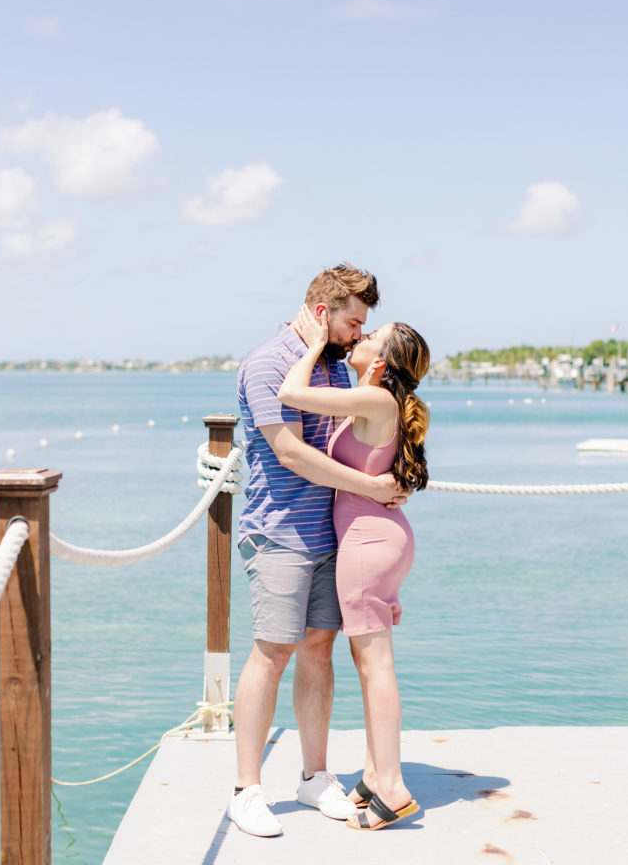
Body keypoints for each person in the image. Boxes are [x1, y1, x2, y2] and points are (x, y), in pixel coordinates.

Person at [228, 264, 407, 838]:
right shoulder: (267, 362)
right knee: (272, 653)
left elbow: (366, 433)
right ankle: (247, 789)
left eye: (364, 326)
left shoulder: (332, 364)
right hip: (278, 531)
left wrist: (391, 476)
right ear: (324, 312)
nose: (358, 333)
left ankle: (313, 776)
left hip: (332, 536)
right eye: (353, 321)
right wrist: (373, 489)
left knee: (318, 652)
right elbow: (291, 454)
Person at [278, 305, 430, 832]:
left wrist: (316, 341)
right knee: (372, 664)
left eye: (373, 336)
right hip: (379, 543)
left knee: (374, 667)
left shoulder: (374, 397)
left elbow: (290, 394)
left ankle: (391, 786)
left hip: (367, 545)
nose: (360, 335)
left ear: (384, 364)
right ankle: (374, 772)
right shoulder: (377, 396)